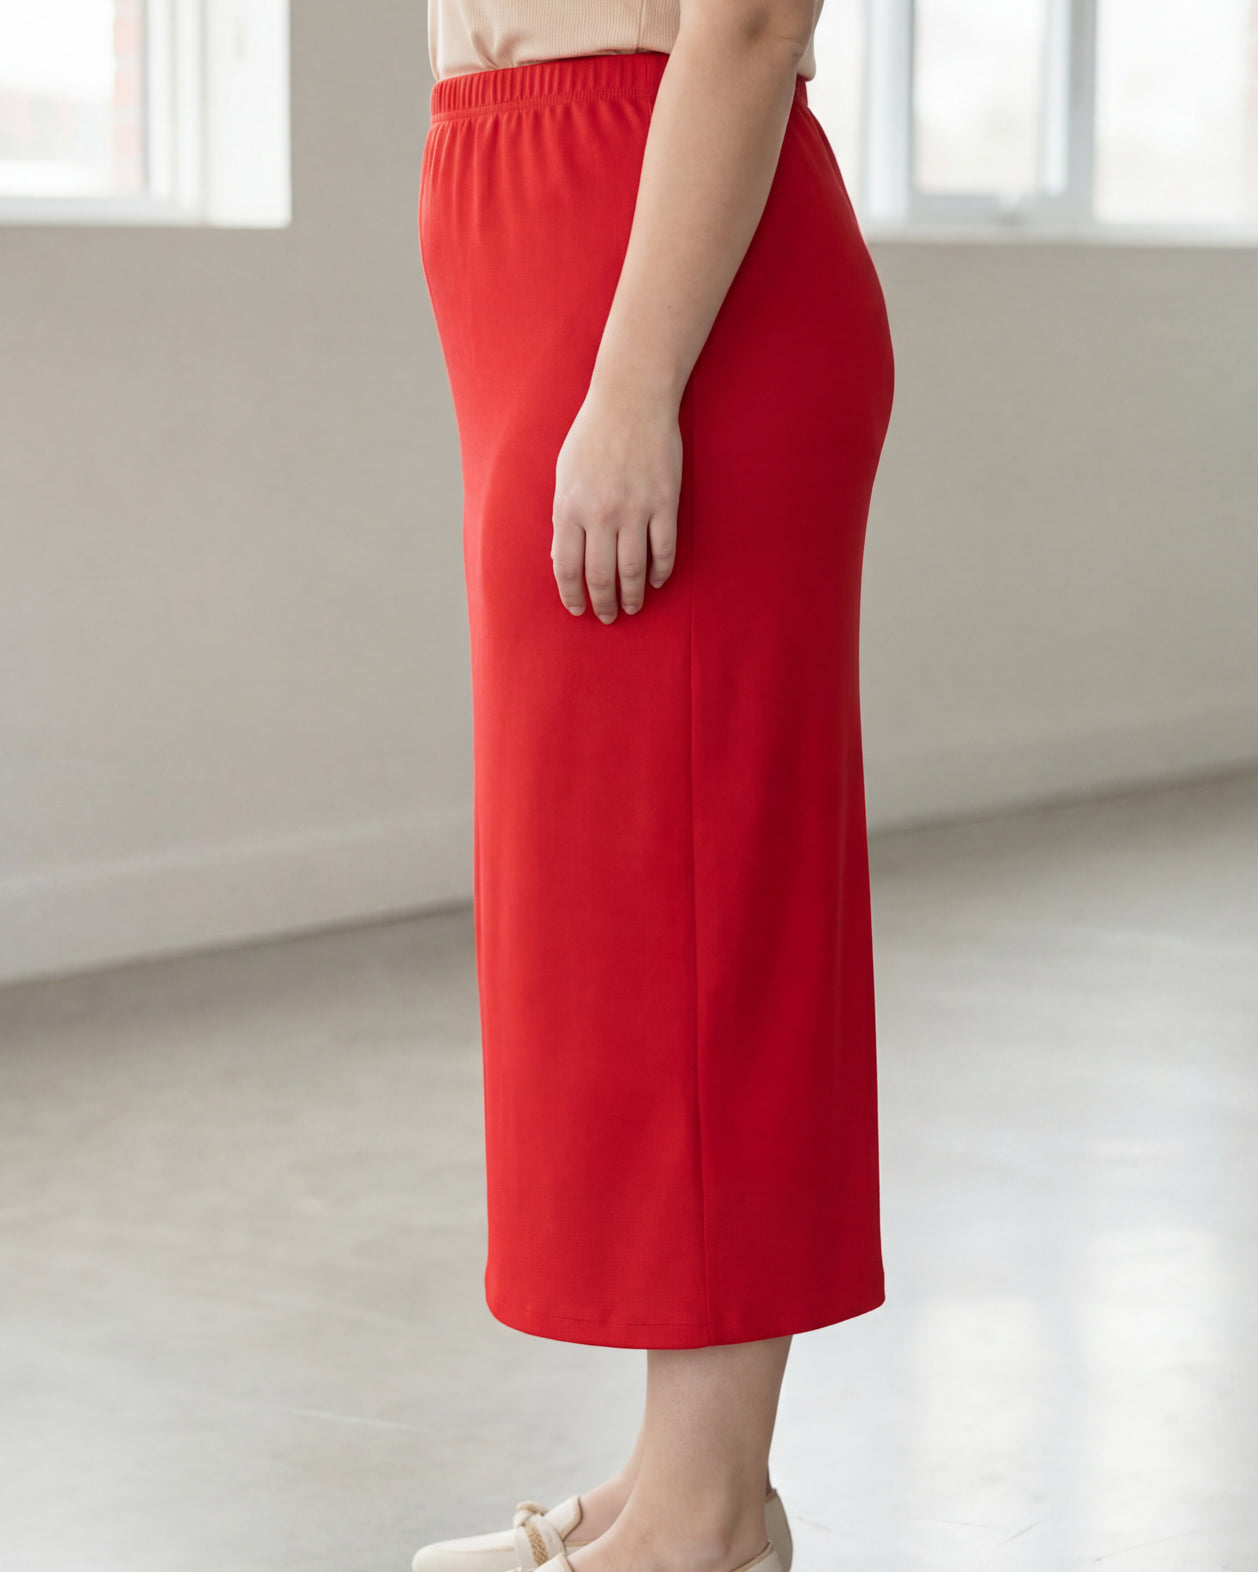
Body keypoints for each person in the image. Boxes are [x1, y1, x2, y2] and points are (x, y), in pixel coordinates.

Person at [414, 1, 895, 1570]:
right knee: (622, 919)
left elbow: (749, 19)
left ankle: (700, 1526)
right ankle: (692, 1480)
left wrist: (630, 392)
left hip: (672, 271)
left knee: (697, 906)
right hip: (536, 228)